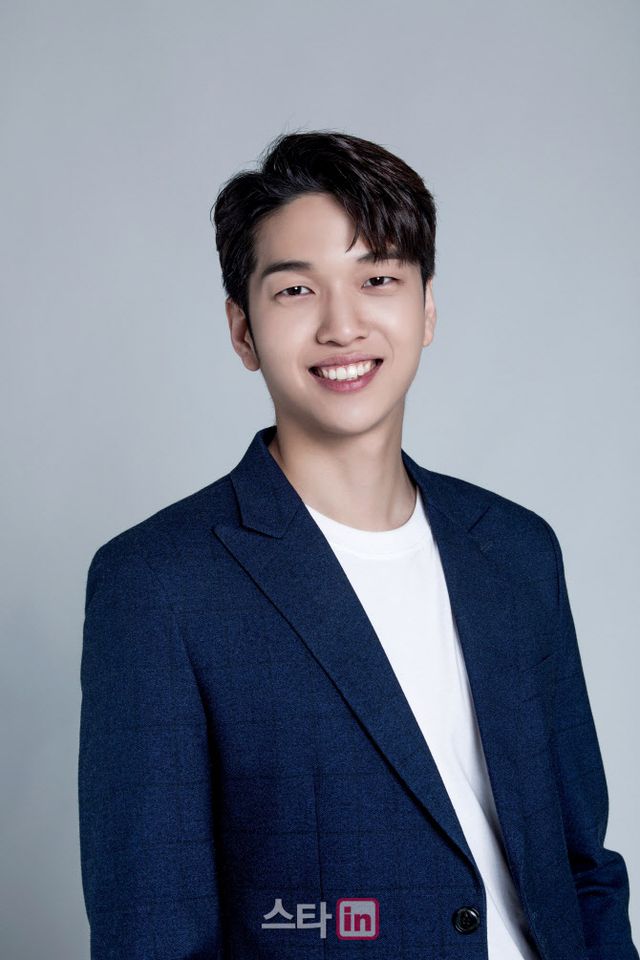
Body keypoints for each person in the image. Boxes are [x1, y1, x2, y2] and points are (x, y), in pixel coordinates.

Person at [78, 130, 638, 959]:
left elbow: (582, 867)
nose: (343, 325)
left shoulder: (517, 551)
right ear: (242, 330)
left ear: (427, 308)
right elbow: (153, 931)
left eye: (378, 279)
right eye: (296, 290)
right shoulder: (159, 584)